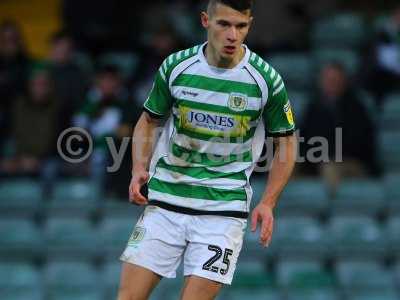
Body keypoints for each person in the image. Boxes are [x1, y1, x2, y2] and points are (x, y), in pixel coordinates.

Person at [118, 1, 297, 299]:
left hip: (222, 210)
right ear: (205, 21)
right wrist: (139, 167)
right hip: (166, 200)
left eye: (241, 26)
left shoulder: (265, 80)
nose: (232, 35)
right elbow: (148, 120)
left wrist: (269, 202)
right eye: (224, 24)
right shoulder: (177, 66)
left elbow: (287, 142)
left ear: (249, 25)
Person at [300, 62, 379, 193]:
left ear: (344, 81)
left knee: (330, 168)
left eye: (335, 80)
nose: (331, 84)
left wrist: (326, 155)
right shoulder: (314, 108)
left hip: (351, 163)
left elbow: (361, 144)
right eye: (328, 80)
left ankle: (330, 212)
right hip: (316, 162)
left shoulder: (356, 108)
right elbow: (304, 138)